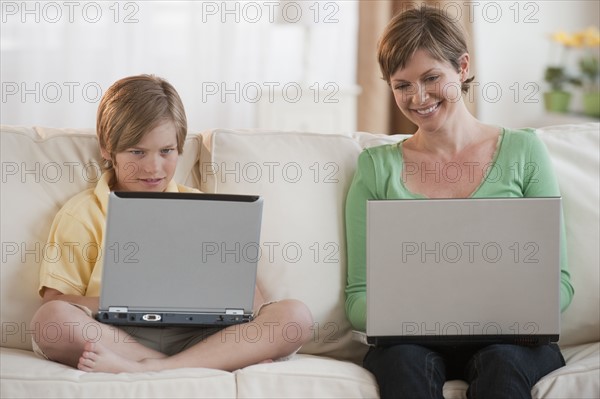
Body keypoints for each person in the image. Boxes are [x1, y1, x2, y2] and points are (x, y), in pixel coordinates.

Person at [344, 6, 574, 399]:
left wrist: (488, 310)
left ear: (462, 67)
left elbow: (560, 285)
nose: (418, 97)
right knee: (404, 365)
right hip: (410, 342)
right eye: (402, 85)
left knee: (503, 364)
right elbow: (358, 297)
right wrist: (430, 314)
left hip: (511, 340)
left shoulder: (524, 151)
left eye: (431, 78)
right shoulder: (375, 168)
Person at [30, 74, 313, 373]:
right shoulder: (83, 212)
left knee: (295, 316)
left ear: (179, 148)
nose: (153, 167)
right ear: (107, 149)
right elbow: (55, 301)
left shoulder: (206, 210)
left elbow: (252, 302)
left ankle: (155, 367)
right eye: (137, 152)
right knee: (49, 321)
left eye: (166, 151)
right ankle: (178, 366)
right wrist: (122, 302)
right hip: (118, 336)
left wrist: (230, 311)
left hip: (200, 337)